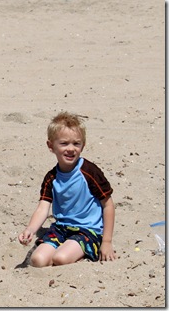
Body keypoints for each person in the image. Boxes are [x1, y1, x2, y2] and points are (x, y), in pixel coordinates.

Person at [18, 111, 116, 267]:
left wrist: (107, 241)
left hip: (87, 231)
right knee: (38, 260)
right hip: (61, 228)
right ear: (51, 146)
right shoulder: (51, 177)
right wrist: (30, 229)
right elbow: (43, 208)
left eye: (76, 143)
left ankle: (84, 252)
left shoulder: (89, 172)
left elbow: (108, 204)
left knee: (61, 258)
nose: (71, 149)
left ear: (83, 145)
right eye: (64, 143)